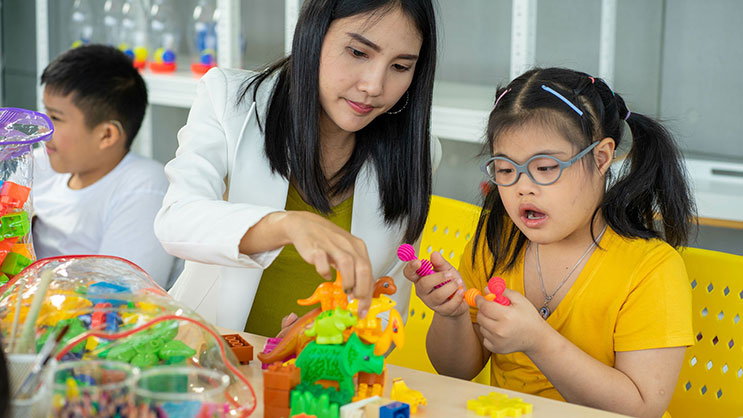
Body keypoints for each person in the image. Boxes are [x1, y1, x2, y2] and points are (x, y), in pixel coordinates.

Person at [403, 67, 695, 418]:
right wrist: (452, 315)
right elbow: (456, 371)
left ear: (601, 158)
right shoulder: (497, 242)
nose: (522, 187)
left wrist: (538, 341)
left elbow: (642, 408)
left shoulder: (651, 270)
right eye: (506, 170)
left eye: (545, 168)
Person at [155, 0, 440, 334]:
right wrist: (286, 226)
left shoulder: (416, 152)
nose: (374, 86)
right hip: (207, 357)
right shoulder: (229, 100)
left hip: (318, 378)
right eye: (358, 53)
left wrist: (322, 344)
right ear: (313, 36)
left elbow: (386, 311)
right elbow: (176, 220)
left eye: (400, 67)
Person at [33, 44, 176, 289]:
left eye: (55, 118)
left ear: (106, 135)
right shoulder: (40, 164)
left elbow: (121, 299)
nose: (42, 129)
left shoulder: (145, 188)